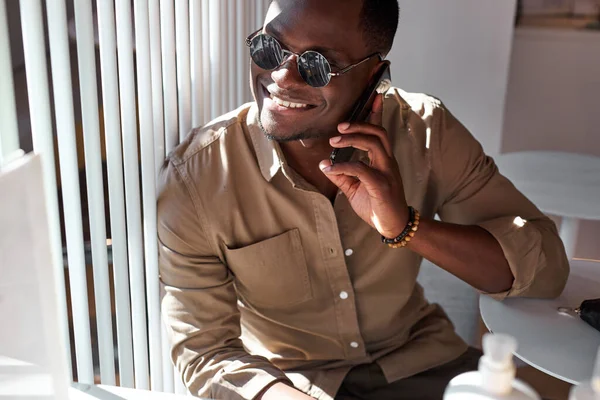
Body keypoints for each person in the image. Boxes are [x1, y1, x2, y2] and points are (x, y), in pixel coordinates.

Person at [157, 0, 569, 399]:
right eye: (270, 47)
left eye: (317, 64)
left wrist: (405, 227)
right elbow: (204, 349)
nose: (281, 75)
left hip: (419, 364)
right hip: (290, 384)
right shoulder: (199, 176)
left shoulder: (426, 132)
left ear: (375, 74)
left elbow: (546, 270)